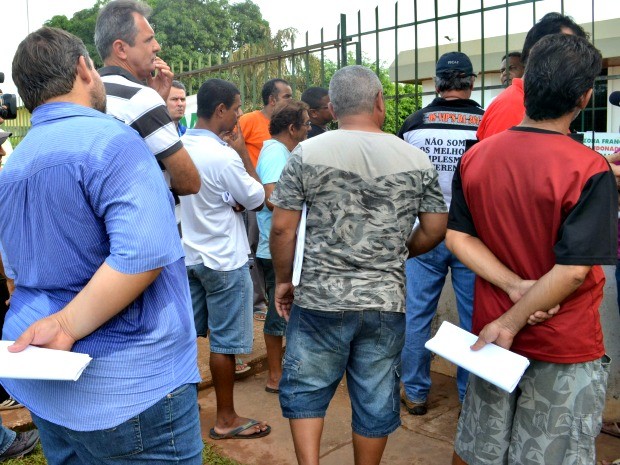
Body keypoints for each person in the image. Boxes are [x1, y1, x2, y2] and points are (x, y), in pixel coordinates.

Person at [1, 27, 202, 464]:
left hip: (44, 378)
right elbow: (142, 254)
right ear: (83, 68)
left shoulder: (13, 165)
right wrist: (69, 323)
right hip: (128, 385)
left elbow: (14, 274)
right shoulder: (112, 141)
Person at [446, 34, 614, 465]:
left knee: (483, 450)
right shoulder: (587, 168)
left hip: (492, 338)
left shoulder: (477, 157)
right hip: (562, 341)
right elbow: (574, 271)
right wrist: (515, 314)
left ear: (528, 83)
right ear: (584, 96)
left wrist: (512, 289)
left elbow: (458, 237)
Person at [270, 65, 448, 465]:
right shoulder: (415, 159)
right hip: (385, 302)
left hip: (319, 298)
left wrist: (284, 281)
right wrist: (398, 252)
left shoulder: (307, 153)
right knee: (375, 396)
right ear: (380, 102)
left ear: (332, 107)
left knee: (307, 389)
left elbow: (283, 229)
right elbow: (436, 227)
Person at [179, 78, 270, 440]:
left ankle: (185, 408)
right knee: (225, 345)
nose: (238, 116)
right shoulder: (223, 155)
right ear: (220, 111)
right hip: (224, 261)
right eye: (235, 109)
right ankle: (226, 418)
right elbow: (258, 197)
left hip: (188, 256)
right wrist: (243, 160)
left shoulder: (178, 148)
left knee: (184, 338)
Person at [397, 51, 484, 415]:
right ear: (471, 82)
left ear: (436, 84)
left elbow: (401, 181)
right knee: (473, 320)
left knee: (416, 314)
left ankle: (415, 393)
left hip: (424, 233)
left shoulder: (414, 124)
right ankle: (469, 398)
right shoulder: (487, 123)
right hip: (473, 238)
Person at [94, 0, 199, 195]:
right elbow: (190, 182)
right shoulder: (141, 99)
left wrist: (158, 99)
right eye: (149, 40)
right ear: (121, 49)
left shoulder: (88, 94)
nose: (157, 47)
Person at [255, 100, 310, 394]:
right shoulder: (276, 152)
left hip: (279, 244)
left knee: (284, 312)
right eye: (306, 124)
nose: (308, 129)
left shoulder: (281, 151)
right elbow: (272, 198)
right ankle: (275, 376)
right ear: (292, 128)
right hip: (274, 247)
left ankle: (281, 371)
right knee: (279, 315)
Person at [476, 12, 587, 140]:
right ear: (536, 51)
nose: (574, 63)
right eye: (567, 50)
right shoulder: (513, 106)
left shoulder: (541, 104)